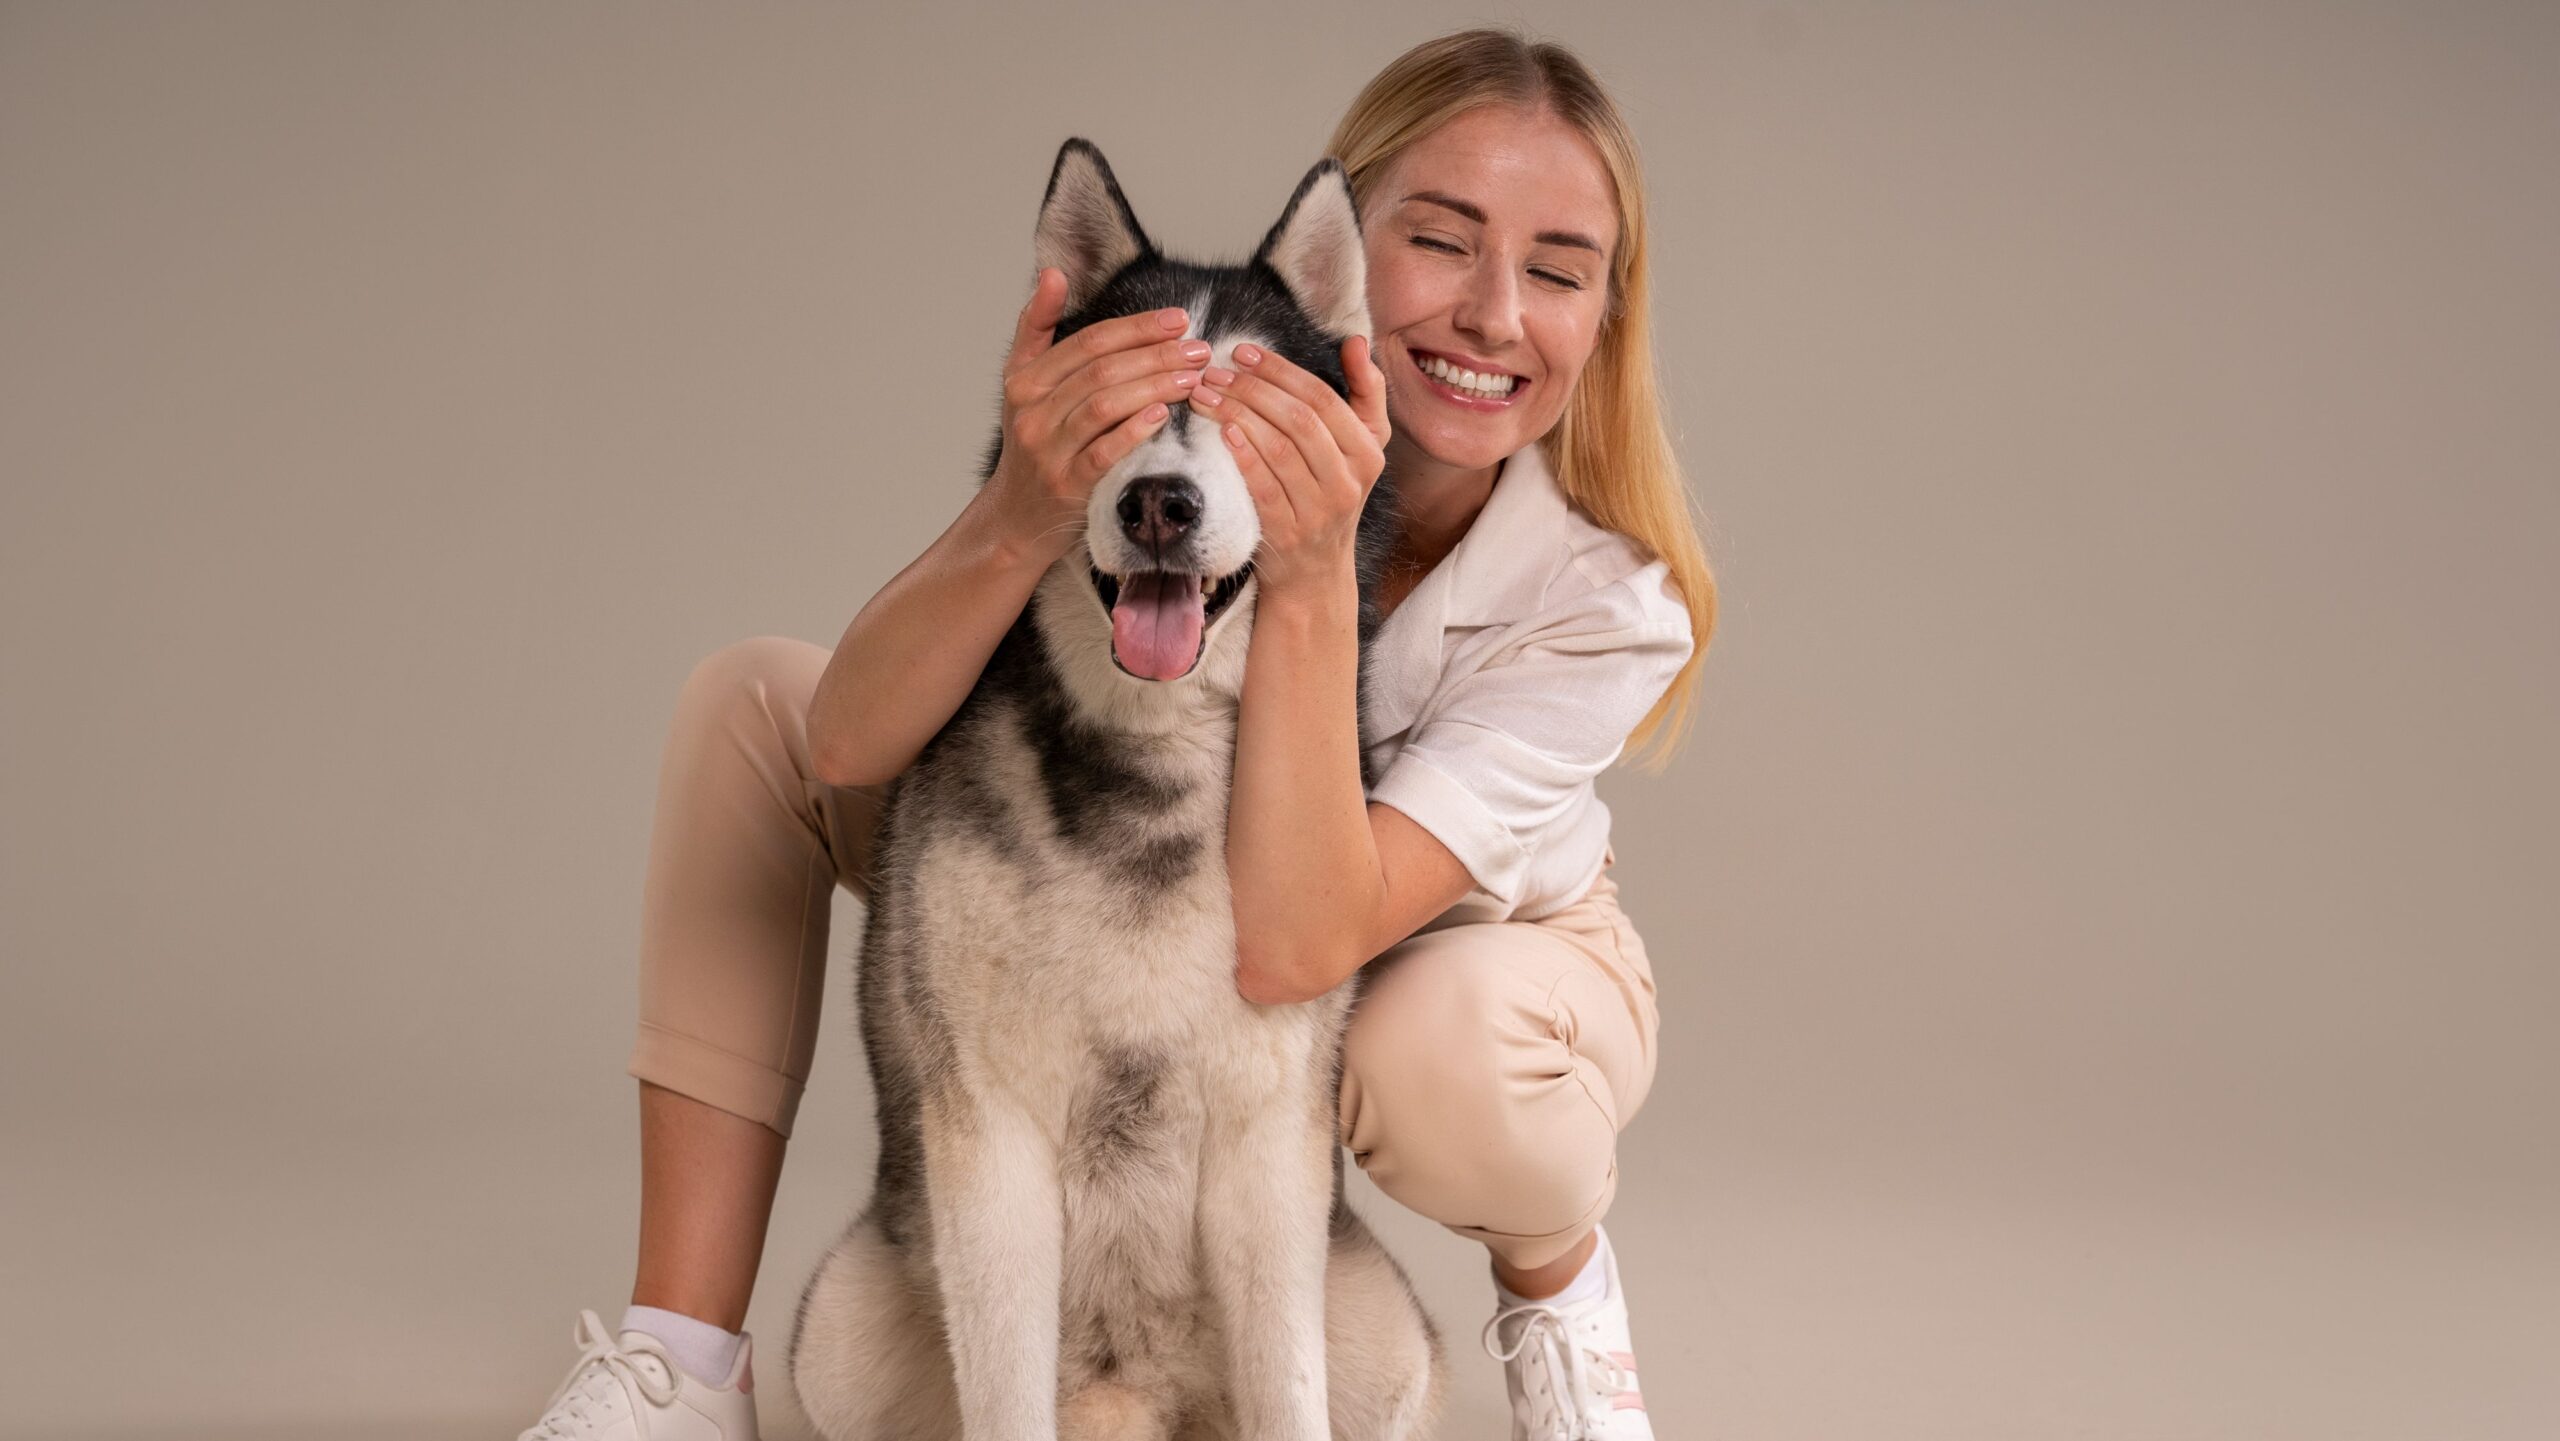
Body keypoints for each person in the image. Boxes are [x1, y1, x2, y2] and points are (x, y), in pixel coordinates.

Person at [516, 26, 1717, 1441]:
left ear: (1606, 317)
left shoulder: (1600, 603)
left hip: (1444, 947)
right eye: (1442, 243)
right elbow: (844, 744)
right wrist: (1024, 499)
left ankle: (1564, 1298)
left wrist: (1311, 569)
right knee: (757, 708)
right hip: (1139, 856)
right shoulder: (1165, 413)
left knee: (1435, 1051)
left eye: (1558, 271)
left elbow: (1297, 944)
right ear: (1347, 254)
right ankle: (679, 1366)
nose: (1492, 312)